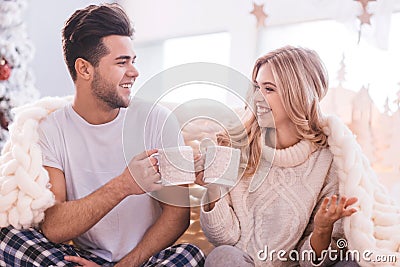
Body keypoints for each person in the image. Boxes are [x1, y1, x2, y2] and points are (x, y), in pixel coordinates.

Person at [0, 3, 205, 267]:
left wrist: (126, 265)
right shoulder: (50, 130)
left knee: (191, 254)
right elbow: (54, 227)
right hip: (86, 259)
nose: (134, 72)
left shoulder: (157, 119)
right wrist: (124, 185)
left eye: (133, 61)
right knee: (8, 238)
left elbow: (178, 215)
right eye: (122, 62)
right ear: (85, 69)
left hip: (147, 259)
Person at [196, 46, 359, 266]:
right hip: (243, 262)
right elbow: (224, 237)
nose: (257, 98)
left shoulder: (330, 160)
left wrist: (322, 229)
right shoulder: (234, 146)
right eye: (256, 87)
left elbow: (312, 260)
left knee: (356, 260)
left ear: (298, 95)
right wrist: (212, 187)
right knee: (223, 255)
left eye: (269, 89)